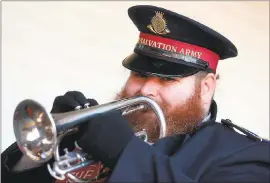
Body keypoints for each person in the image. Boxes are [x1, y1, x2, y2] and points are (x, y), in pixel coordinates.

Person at [2, 4, 270, 183]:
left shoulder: (248, 155)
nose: (145, 89)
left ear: (206, 88)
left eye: (167, 79)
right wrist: (49, 145)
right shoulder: (96, 136)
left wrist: (124, 154)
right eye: (139, 74)